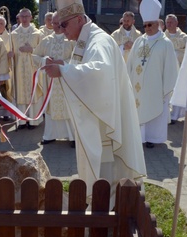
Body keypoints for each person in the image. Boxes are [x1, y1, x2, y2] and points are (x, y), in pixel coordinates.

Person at [42, 0, 147, 207]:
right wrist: (65, 66)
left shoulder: (98, 41)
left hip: (104, 126)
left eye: (64, 25)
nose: (61, 31)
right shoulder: (85, 38)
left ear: (79, 19)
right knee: (103, 176)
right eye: (58, 26)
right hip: (101, 118)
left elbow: (98, 74)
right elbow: (84, 67)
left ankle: (104, 212)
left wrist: (63, 72)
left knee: (106, 175)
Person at [126, 0, 178, 148]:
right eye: (145, 25)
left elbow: (171, 68)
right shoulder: (139, 41)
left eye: (150, 25)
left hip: (156, 89)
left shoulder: (165, 43)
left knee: (154, 113)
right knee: (138, 111)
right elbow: (130, 63)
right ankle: (139, 138)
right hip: (137, 88)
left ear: (157, 24)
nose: (147, 28)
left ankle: (153, 139)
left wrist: (165, 90)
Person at [33, 12, 75, 147]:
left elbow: (79, 58)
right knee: (51, 107)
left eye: (60, 23)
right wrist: (45, 60)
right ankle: (50, 135)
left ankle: (72, 136)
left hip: (66, 79)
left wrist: (64, 62)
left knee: (68, 107)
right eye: (54, 23)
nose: (57, 26)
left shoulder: (71, 40)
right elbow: (35, 56)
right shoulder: (46, 40)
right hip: (50, 81)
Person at [11, 8, 44, 129]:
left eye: (26, 16)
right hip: (19, 69)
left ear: (31, 17)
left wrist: (31, 50)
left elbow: (42, 52)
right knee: (20, 93)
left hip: (33, 69)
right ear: (19, 18)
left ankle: (33, 121)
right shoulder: (13, 34)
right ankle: (21, 121)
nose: (24, 19)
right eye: (22, 16)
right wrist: (11, 55)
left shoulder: (38, 34)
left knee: (33, 93)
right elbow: (11, 52)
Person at [164, 13, 187, 123]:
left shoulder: (184, 37)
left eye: (171, 22)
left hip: (179, 70)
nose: (169, 24)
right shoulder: (162, 37)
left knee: (177, 92)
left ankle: (175, 115)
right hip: (165, 70)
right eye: (167, 22)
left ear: (177, 23)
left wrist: (175, 53)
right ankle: (166, 113)